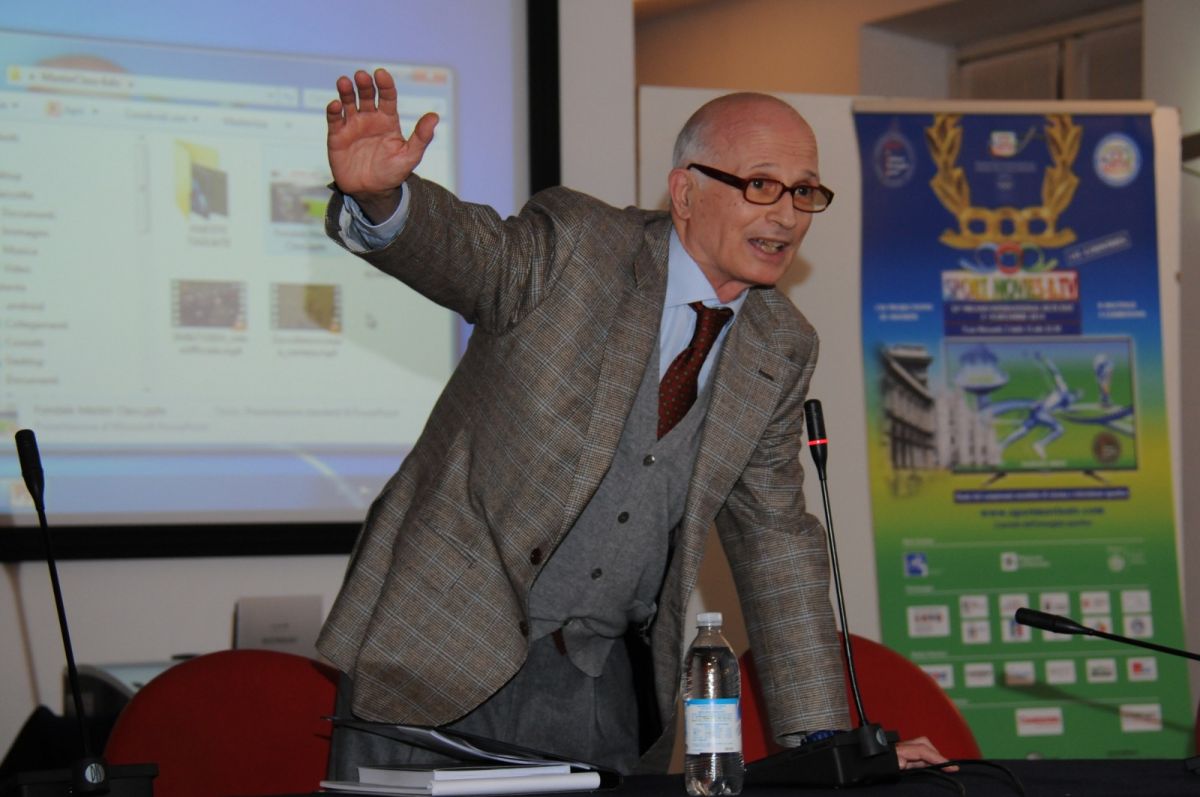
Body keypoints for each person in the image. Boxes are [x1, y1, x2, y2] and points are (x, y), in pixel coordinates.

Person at [317, 68, 948, 777]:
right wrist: (382, 198)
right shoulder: (577, 248)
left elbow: (773, 538)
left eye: (804, 192)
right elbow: (467, 253)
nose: (787, 216)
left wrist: (828, 746)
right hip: (439, 652)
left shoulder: (781, 343)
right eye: (761, 185)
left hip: (598, 688)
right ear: (685, 192)